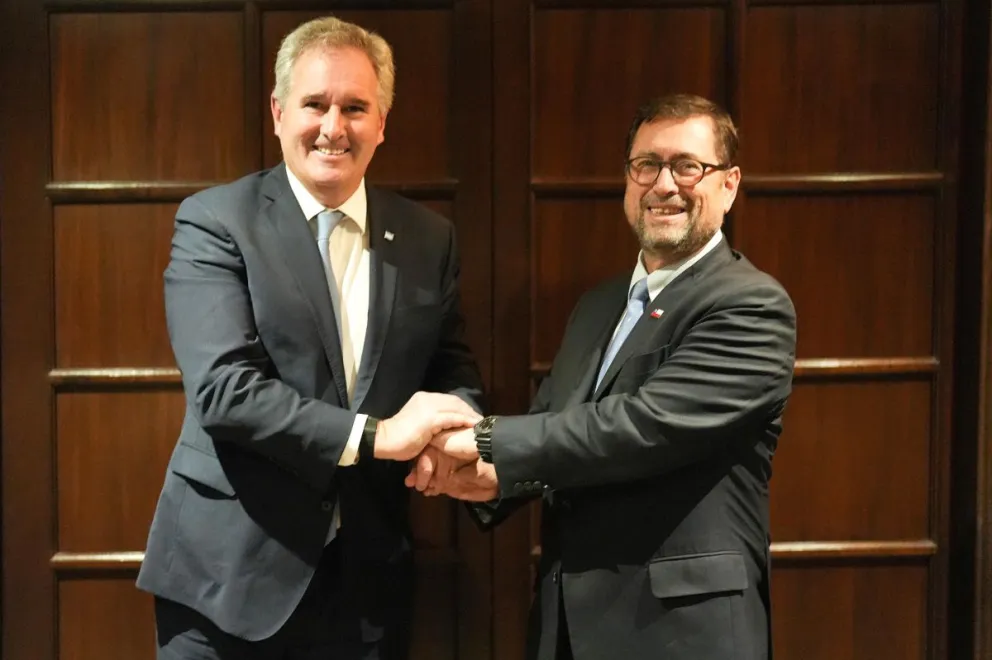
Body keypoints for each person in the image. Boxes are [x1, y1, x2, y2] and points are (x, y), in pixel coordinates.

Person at [136, 15, 484, 660]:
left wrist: (459, 432)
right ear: (278, 112)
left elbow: (449, 365)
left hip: (367, 583)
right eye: (315, 104)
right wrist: (379, 437)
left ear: (382, 122)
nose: (333, 127)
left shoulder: (429, 238)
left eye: (355, 108)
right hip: (228, 580)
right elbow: (224, 392)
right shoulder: (216, 221)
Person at [409, 93, 796, 660]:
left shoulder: (751, 305)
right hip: (569, 625)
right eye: (647, 165)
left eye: (687, 166)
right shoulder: (599, 304)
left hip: (684, 632)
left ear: (729, 184)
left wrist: (487, 440)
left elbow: (644, 426)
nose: (664, 185)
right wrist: (489, 478)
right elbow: (554, 420)